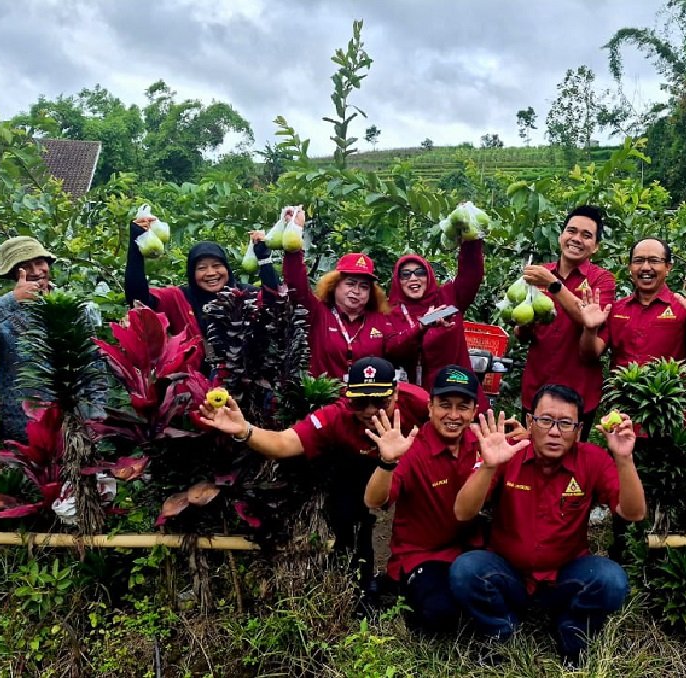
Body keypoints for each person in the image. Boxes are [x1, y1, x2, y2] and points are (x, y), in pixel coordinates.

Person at [449, 384, 645, 665]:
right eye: (546, 420)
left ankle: (572, 631)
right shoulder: (510, 452)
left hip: (566, 576)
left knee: (611, 579)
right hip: (509, 575)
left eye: (566, 423)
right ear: (530, 422)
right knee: (466, 570)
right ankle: (502, 632)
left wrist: (624, 459)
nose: (555, 431)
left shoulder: (593, 459)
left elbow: (633, 513)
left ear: (578, 430)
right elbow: (462, 512)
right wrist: (489, 466)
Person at [198, 356, 429, 592]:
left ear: (396, 393)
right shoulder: (336, 415)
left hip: (413, 462)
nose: (370, 410)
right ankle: (358, 582)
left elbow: (455, 418)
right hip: (359, 466)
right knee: (347, 510)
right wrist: (244, 430)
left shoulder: (419, 402)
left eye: (380, 401)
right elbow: (284, 443)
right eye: (360, 402)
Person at [363, 365, 485, 633]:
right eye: (445, 405)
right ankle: (395, 588)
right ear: (429, 407)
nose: (453, 415)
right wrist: (386, 462)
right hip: (422, 557)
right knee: (441, 615)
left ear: (474, 411)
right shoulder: (412, 449)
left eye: (463, 406)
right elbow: (374, 501)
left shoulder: (482, 444)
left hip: (471, 554)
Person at [0, 236, 101, 442]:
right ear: (13, 274)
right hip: (23, 428)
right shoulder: (4, 312)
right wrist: (12, 300)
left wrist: (98, 414)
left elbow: (94, 364)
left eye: (39, 263)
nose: (37, 272)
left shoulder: (73, 308)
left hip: (75, 425)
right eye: (26, 267)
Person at [519, 206, 615, 439]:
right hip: (536, 388)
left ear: (596, 246)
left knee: (572, 463)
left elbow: (588, 320)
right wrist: (522, 320)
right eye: (571, 231)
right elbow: (522, 336)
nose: (576, 239)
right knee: (530, 458)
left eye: (586, 235)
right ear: (561, 235)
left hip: (579, 393)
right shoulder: (539, 274)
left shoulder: (602, 280)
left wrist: (553, 285)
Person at [281, 214, 416, 381]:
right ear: (334, 284)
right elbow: (296, 285)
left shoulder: (379, 320)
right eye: (350, 283)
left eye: (364, 286)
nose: (356, 291)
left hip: (368, 401)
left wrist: (422, 327)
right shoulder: (319, 313)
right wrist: (294, 233)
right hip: (325, 399)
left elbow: (397, 348)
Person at [124, 211, 281, 349]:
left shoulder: (244, 295)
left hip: (246, 379)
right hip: (193, 381)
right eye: (201, 268)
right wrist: (136, 246)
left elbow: (274, 303)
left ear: (227, 269)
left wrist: (264, 260)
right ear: (192, 273)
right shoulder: (179, 299)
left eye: (217, 265)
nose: (211, 273)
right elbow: (138, 300)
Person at [579, 238, 686, 367]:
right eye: (638, 261)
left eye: (654, 261)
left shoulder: (683, 307)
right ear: (630, 267)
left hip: (670, 397)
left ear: (668, 267)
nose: (645, 267)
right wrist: (590, 329)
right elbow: (590, 355)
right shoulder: (616, 309)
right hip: (623, 396)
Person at [387, 236, 487, 405]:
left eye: (420, 272)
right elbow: (392, 350)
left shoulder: (448, 297)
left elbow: (471, 275)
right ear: (398, 281)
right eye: (405, 274)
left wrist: (470, 239)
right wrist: (421, 327)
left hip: (458, 390)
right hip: (416, 399)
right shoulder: (391, 313)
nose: (413, 278)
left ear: (429, 276)